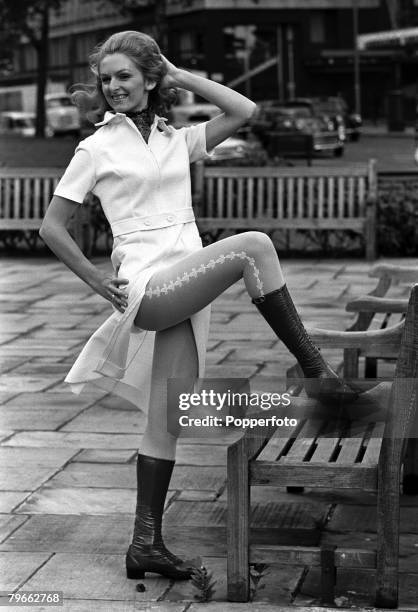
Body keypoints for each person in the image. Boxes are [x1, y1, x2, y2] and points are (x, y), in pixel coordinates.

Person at [39, 30, 357, 583]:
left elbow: (245, 108)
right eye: (107, 78)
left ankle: (146, 545)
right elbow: (51, 226)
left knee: (168, 420)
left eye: (125, 76)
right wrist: (94, 279)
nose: (113, 86)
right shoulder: (95, 147)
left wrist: (178, 74)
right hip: (148, 285)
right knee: (254, 246)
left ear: (148, 79)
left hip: (186, 282)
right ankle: (317, 373)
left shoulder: (174, 139)